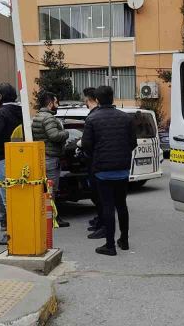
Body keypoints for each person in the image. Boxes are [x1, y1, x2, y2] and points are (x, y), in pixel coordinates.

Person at [80, 85, 137, 256]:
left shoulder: (92, 119)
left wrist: (97, 156)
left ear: (96, 100)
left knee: (107, 207)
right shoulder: (126, 118)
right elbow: (133, 142)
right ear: (113, 98)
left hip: (102, 170)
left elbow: (86, 145)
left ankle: (110, 245)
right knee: (122, 205)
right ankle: (124, 241)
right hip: (122, 169)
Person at [0, 83, 23, 245]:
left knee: (7, 198)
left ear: (0, 96)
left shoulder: (2, 112)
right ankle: (22, 229)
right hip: (19, 156)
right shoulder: (20, 110)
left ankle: (11, 233)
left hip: (2, 157)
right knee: (18, 196)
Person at [32, 92, 71, 228]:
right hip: (51, 157)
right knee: (51, 190)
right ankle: (52, 217)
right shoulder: (49, 118)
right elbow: (54, 135)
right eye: (56, 102)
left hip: (42, 156)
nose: (57, 105)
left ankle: (46, 216)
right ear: (50, 104)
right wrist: (66, 133)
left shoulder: (37, 116)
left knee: (44, 189)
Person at [82, 88, 106, 239]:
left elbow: (87, 143)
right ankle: (102, 221)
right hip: (103, 162)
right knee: (101, 196)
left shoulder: (93, 116)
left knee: (100, 196)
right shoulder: (98, 114)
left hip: (96, 162)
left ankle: (104, 225)